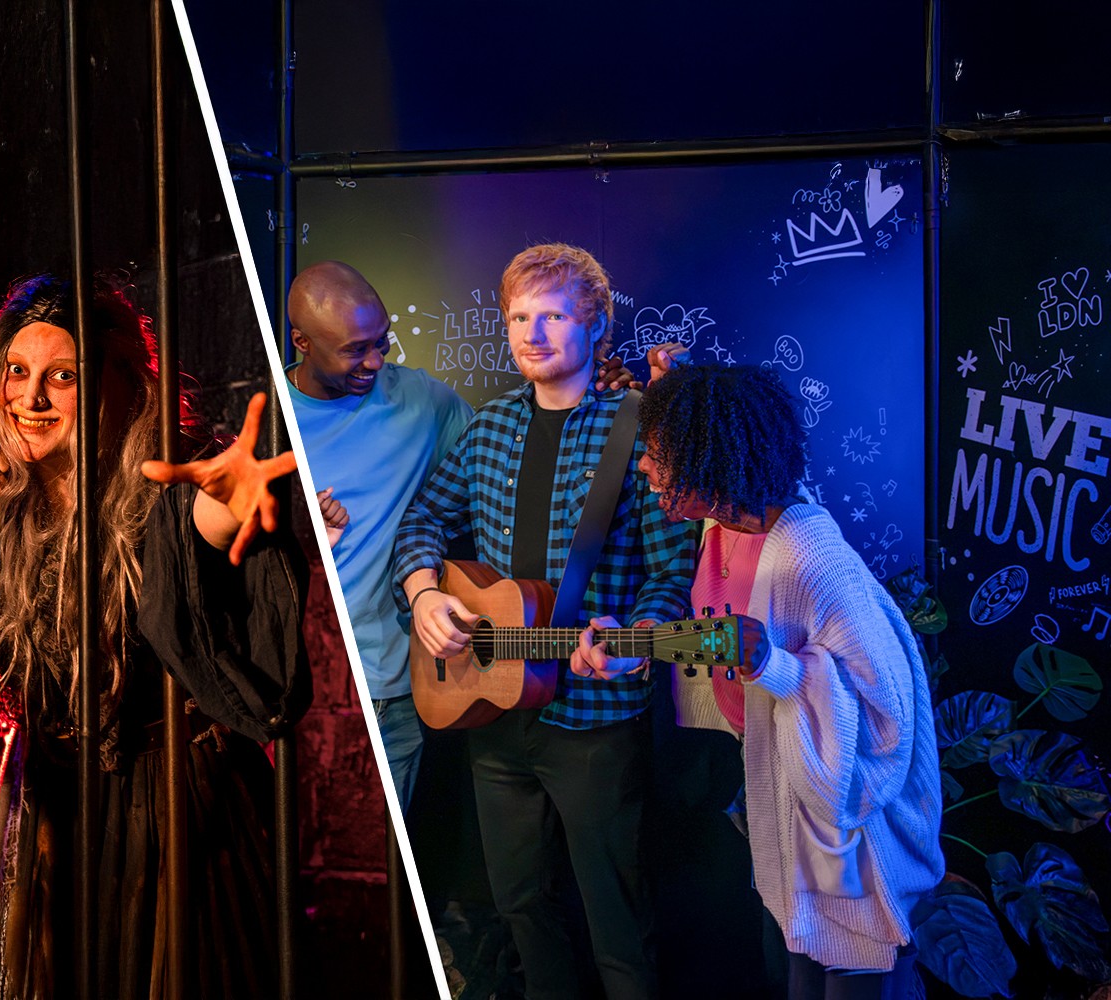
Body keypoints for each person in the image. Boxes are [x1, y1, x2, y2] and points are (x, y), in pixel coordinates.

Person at [0, 273, 306, 999]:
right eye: (17, 373)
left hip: (175, 805)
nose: (30, 397)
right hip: (57, 811)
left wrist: (230, 502)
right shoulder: (1, 509)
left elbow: (195, 536)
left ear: (116, 387)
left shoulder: (153, 488)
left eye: (62, 377)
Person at [395, 243, 697, 1000]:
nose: (531, 333)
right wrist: (427, 594)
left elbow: (672, 571)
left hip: (596, 721)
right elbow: (422, 521)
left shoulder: (634, 430)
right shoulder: (488, 427)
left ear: (595, 325)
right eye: (519, 317)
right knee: (522, 907)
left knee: (616, 921)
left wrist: (634, 645)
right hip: (491, 711)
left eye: (553, 315)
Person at [615, 361, 941, 1000]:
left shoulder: (809, 558)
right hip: (786, 803)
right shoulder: (724, 527)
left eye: (657, 455)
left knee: (849, 977)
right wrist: (626, 645)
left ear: (705, 459)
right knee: (798, 971)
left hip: (847, 837)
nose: (645, 469)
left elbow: (887, 713)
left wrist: (776, 666)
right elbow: (722, 642)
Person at [285, 260, 474, 812]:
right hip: (296, 686)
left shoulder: (423, 404)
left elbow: (503, 455)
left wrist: (597, 393)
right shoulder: (268, 410)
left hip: (390, 689)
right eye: (353, 350)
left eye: (381, 342)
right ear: (302, 342)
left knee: (381, 878)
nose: (375, 360)